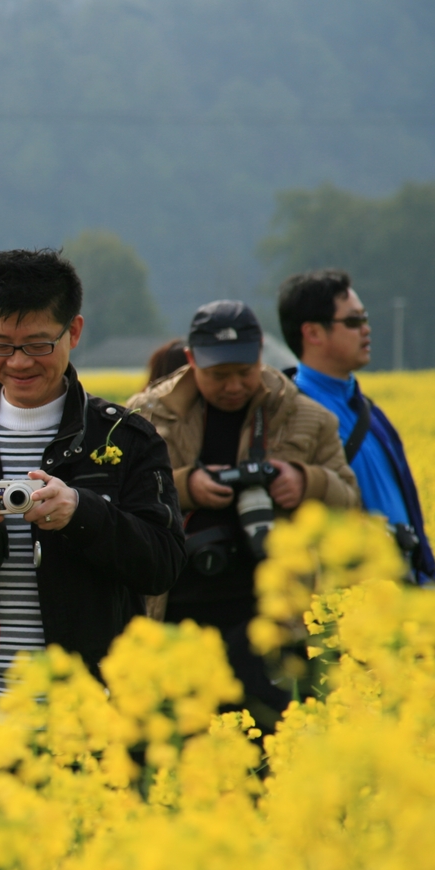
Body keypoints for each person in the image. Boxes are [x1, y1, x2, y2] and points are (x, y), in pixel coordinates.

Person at [0, 249, 185, 715]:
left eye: (37, 344)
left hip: (88, 711)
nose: (18, 362)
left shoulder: (126, 437)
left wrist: (83, 513)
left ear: (74, 332)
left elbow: (164, 564)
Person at [128, 300, 359, 728]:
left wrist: (307, 481)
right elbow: (119, 500)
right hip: (173, 613)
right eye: (219, 375)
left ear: (259, 358)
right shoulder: (148, 416)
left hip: (270, 620)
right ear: (192, 360)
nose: (233, 386)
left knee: (263, 742)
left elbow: (350, 499)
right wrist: (186, 486)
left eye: (244, 372)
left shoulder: (305, 417)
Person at [278, 269, 435, 586]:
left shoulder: (370, 412)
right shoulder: (290, 416)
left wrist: (431, 579)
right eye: (353, 322)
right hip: (349, 605)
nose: (366, 330)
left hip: (405, 594)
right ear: (312, 333)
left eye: (364, 319)